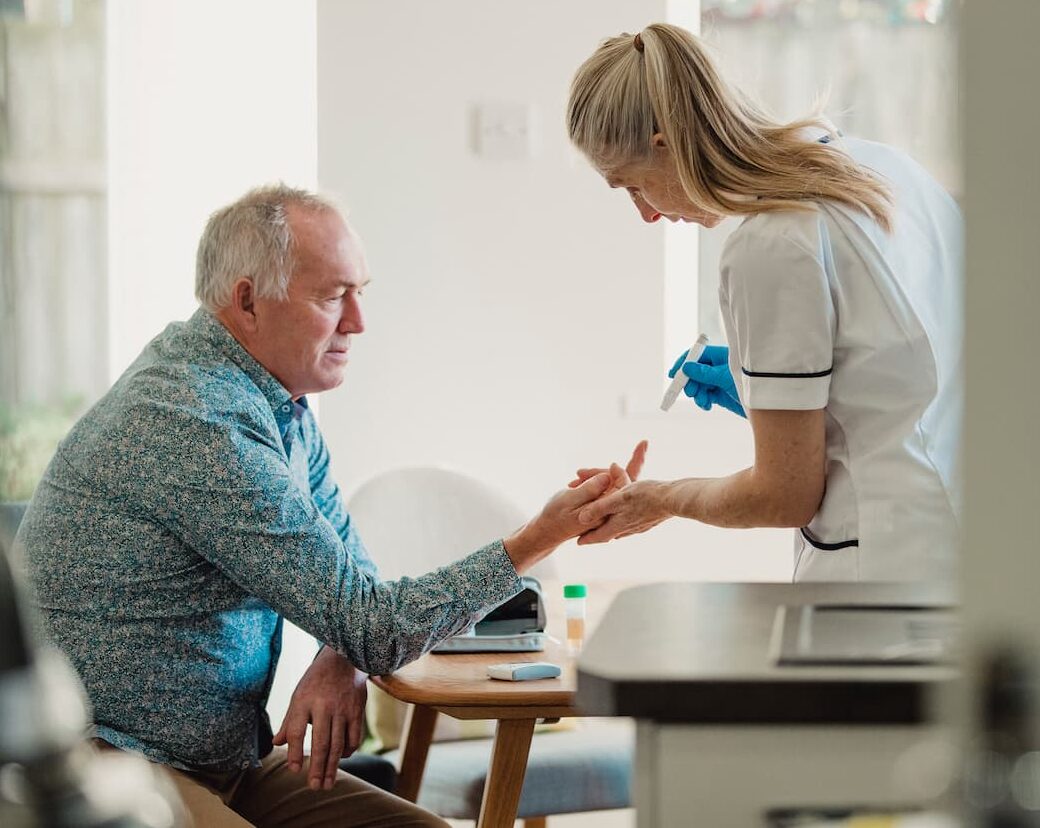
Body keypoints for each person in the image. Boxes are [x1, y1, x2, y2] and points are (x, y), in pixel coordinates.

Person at [15, 184, 613, 827]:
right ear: (247, 301)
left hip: (229, 761)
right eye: (332, 297)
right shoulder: (194, 420)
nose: (358, 321)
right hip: (118, 763)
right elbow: (375, 623)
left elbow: (356, 593)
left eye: (360, 292)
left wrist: (340, 653)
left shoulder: (281, 407)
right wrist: (538, 537)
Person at [566, 23, 962, 582]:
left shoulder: (769, 243)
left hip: (883, 579)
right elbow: (904, 374)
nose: (647, 214)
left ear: (666, 145)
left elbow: (783, 497)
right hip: (966, 546)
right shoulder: (886, 170)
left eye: (632, 185)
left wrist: (658, 499)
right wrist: (767, 393)